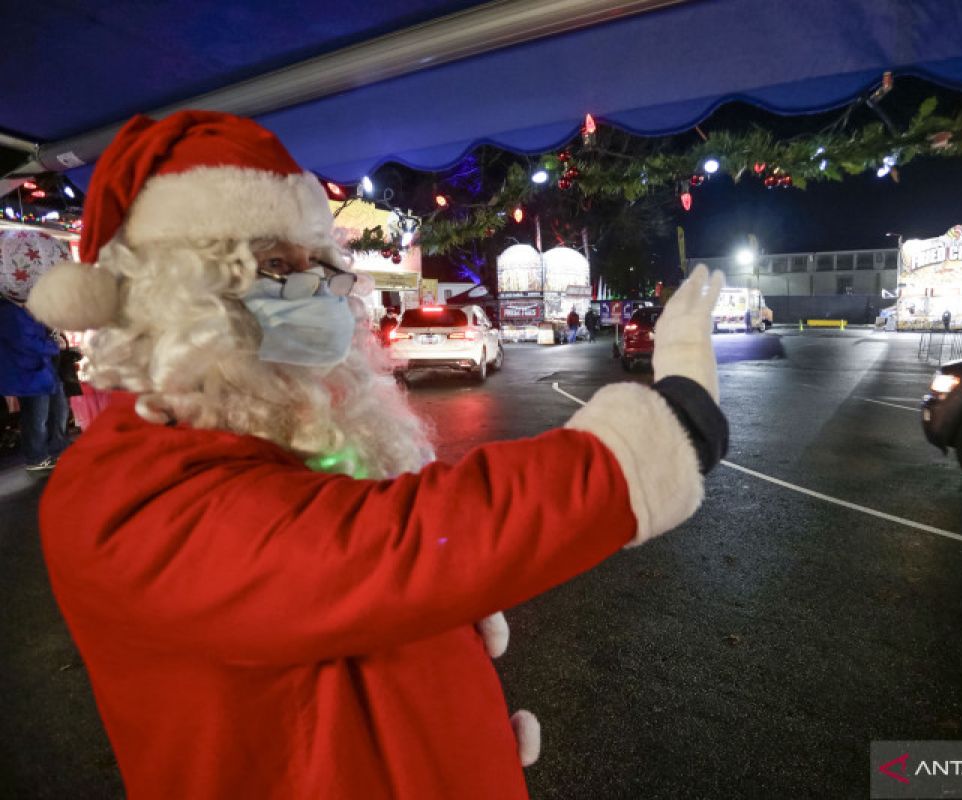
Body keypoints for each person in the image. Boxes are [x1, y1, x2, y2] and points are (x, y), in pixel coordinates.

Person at [27, 110, 728, 800]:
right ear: (172, 295)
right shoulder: (121, 495)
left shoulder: (270, 436)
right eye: (274, 265)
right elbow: (387, 548)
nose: (313, 290)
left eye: (320, 266)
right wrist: (643, 446)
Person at [0, 230, 72, 471]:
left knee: (57, 409)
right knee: (36, 418)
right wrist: (54, 345)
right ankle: (36, 456)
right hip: (29, 373)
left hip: (42, 370)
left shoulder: (24, 307)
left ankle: (57, 448)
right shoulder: (8, 311)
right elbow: (25, 342)